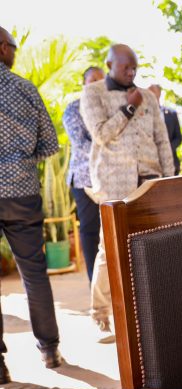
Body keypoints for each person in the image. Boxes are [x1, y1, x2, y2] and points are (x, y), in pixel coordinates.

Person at [80, 44, 175, 343]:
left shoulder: (148, 96)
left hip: (150, 180)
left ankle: (149, 311)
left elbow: (162, 140)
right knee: (110, 249)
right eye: (126, 68)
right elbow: (100, 134)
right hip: (114, 183)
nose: (131, 73)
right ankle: (101, 314)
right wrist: (128, 108)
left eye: (134, 68)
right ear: (110, 64)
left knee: (152, 246)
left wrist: (168, 180)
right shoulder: (92, 93)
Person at [0, 26, 64, 383]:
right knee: (34, 275)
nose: (15, 52)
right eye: (13, 47)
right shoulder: (25, 89)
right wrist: (20, 162)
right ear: (1, 48)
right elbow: (49, 145)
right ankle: (50, 350)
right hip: (22, 192)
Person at [63, 66, 105, 282]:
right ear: (84, 84)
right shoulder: (73, 109)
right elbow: (80, 143)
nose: (97, 84)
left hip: (110, 179)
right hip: (84, 179)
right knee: (90, 231)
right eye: (93, 80)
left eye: (101, 80)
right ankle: (93, 283)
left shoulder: (111, 107)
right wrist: (111, 153)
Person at [147, 84, 182, 175]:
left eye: (153, 92)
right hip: (150, 164)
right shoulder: (141, 115)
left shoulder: (171, 113)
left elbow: (178, 137)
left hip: (171, 162)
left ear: (159, 93)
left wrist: (166, 149)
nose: (150, 95)